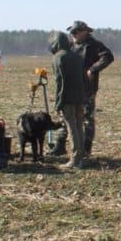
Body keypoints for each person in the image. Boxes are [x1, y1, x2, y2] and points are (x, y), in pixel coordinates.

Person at [48, 20, 114, 157]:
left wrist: (92, 69)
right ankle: (60, 145)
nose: (73, 34)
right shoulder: (70, 45)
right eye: (71, 32)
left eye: (76, 32)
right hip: (71, 86)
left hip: (87, 87)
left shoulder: (95, 45)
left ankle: (85, 149)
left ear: (85, 31)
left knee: (86, 118)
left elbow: (108, 57)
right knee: (65, 115)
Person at [48, 31, 87, 168]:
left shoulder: (58, 57)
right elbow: (83, 78)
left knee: (71, 127)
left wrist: (58, 103)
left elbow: (60, 82)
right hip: (80, 97)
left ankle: (75, 159)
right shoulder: (77, 56)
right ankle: (81, 157)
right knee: (79, 126)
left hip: (67, 98)